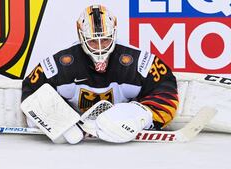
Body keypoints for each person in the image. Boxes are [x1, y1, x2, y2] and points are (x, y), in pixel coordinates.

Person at [21, 5, 179, 143]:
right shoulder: (60, 63)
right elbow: (31, 90)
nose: (99, 47)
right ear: (80, 37)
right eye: (92, 41)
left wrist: (140, 116)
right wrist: (58, 120)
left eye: (104, 40)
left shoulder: (138, 62)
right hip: (76, 142)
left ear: (114, 35)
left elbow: (166, 89)